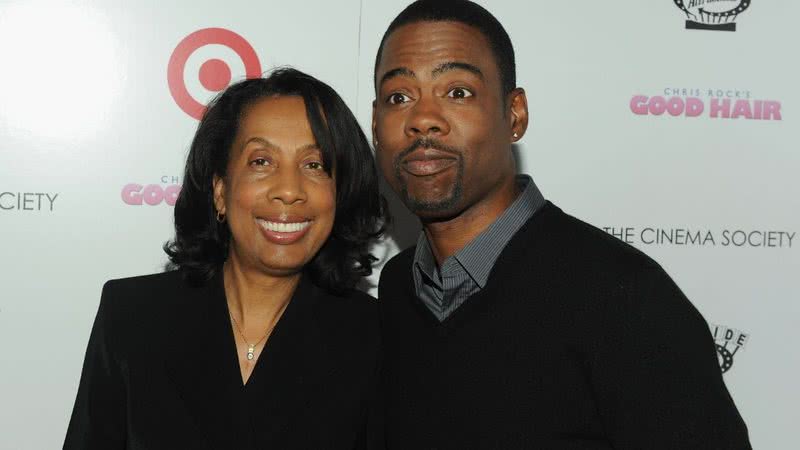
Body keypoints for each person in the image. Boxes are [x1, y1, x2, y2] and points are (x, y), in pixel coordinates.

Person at [372, 1, 751, 448]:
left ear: (515, 115)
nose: (422, 120)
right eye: (399, 97)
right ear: (376, 122)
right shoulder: (399, 290)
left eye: (458, 92)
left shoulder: (624, 298)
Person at [64, 68, 384, 449]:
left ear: (339, 193)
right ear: (219, 189)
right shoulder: (132, 316)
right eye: (261, 162)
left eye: (314, 165)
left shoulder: (373, 336)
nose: (289, 191)